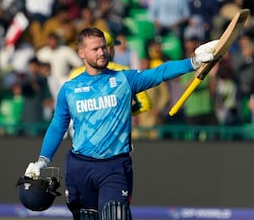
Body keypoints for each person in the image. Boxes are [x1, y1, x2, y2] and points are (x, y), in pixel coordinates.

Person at [23, 27, 217, 219]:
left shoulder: (124, 79)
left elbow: (159, 73)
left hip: (114, 167)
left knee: (116, 215)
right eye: (95, 49)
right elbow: (58, 126)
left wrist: (193, 62)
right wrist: (42, 160)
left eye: (103, 47)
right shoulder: (69, 88)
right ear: (81, 53)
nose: (102, 52)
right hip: (79, 168)